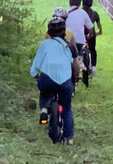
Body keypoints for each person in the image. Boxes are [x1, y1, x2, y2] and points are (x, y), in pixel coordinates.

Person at [30, 17, 77, 145]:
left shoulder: (44, 44)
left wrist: (36, 76)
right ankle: (69, 138)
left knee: (44, 91)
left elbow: (35, 67)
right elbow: (74, 64)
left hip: (47, 80)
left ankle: (44, 110)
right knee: (66, 109)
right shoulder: (69, 46)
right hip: (65, 81)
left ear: (49, 32)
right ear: (64, 31)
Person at [65, 0, 94, 70]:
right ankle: (80, 65)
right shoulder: (83, 13)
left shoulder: (65, 13)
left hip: (68, 40)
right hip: (80, 41)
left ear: (69, 3)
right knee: (80, 54)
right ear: (79, 3)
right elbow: (90, 27)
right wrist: (89, 35)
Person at [81, 0, 102, 76]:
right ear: (90, 3)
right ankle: (93, 68)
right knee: (93, 50)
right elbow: (99, 27)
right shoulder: (95, 14)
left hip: (81, 35)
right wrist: (99, 32)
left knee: (79, 50)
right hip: (92, 35)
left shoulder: (80, 13)